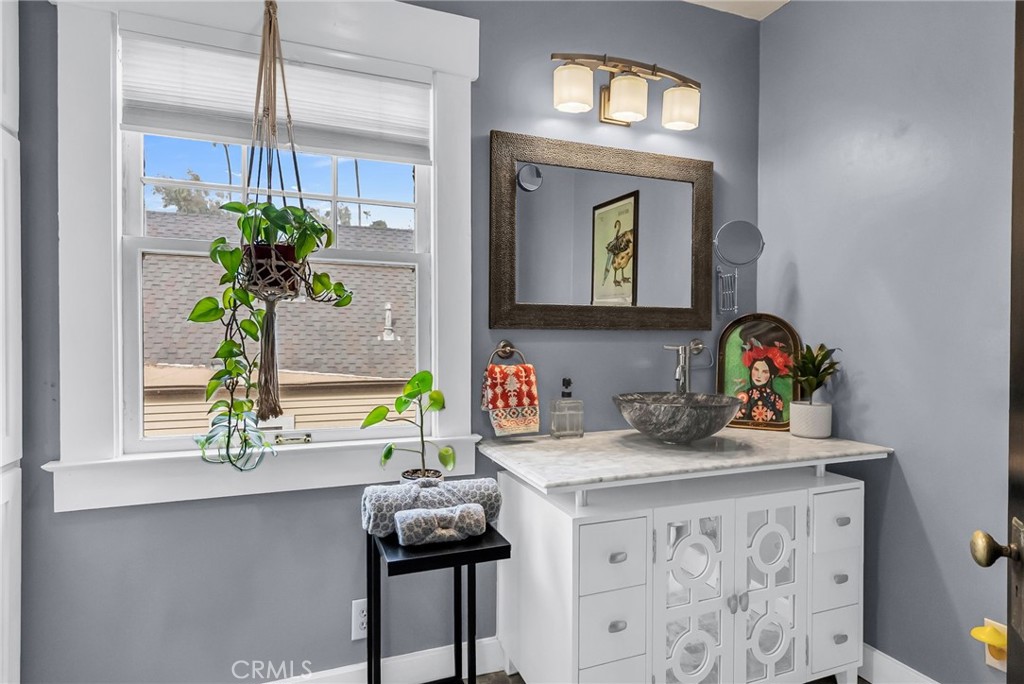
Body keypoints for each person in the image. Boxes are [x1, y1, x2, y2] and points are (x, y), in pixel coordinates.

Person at [735, 342, 792, 423]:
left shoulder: (776, 398)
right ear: (750, 371)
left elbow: (779, 422)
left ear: (771, 376)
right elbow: (739, 420)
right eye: (756, 369)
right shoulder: (743, 395)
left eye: (764, 372)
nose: (759, 375)